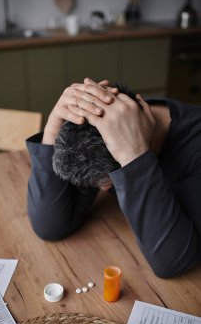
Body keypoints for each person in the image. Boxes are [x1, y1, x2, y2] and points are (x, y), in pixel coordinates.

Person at [26, 77, 201, 278]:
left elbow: (172, 262)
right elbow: (49, 227)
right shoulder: (104, 123)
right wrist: (51, 133)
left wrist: (135, 156)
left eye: (109, 183)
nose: (103, 191)